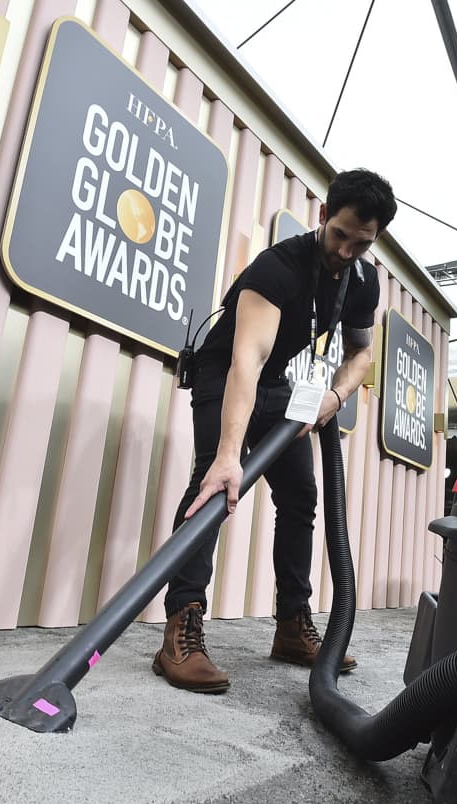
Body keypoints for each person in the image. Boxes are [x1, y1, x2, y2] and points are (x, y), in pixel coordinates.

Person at [152, 169, 396, 693]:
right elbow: (248, 357)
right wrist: (227, 454)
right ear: (323, 216)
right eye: (340, 235)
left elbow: (362, 353)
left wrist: (334, 397)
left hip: (279, 384)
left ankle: (291, 625)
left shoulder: (361, 281)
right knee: (212, 484)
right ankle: (182, 626)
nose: (347, 250)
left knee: (302, 494)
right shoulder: (277, 267)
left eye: (362, 243)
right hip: (228, 373)